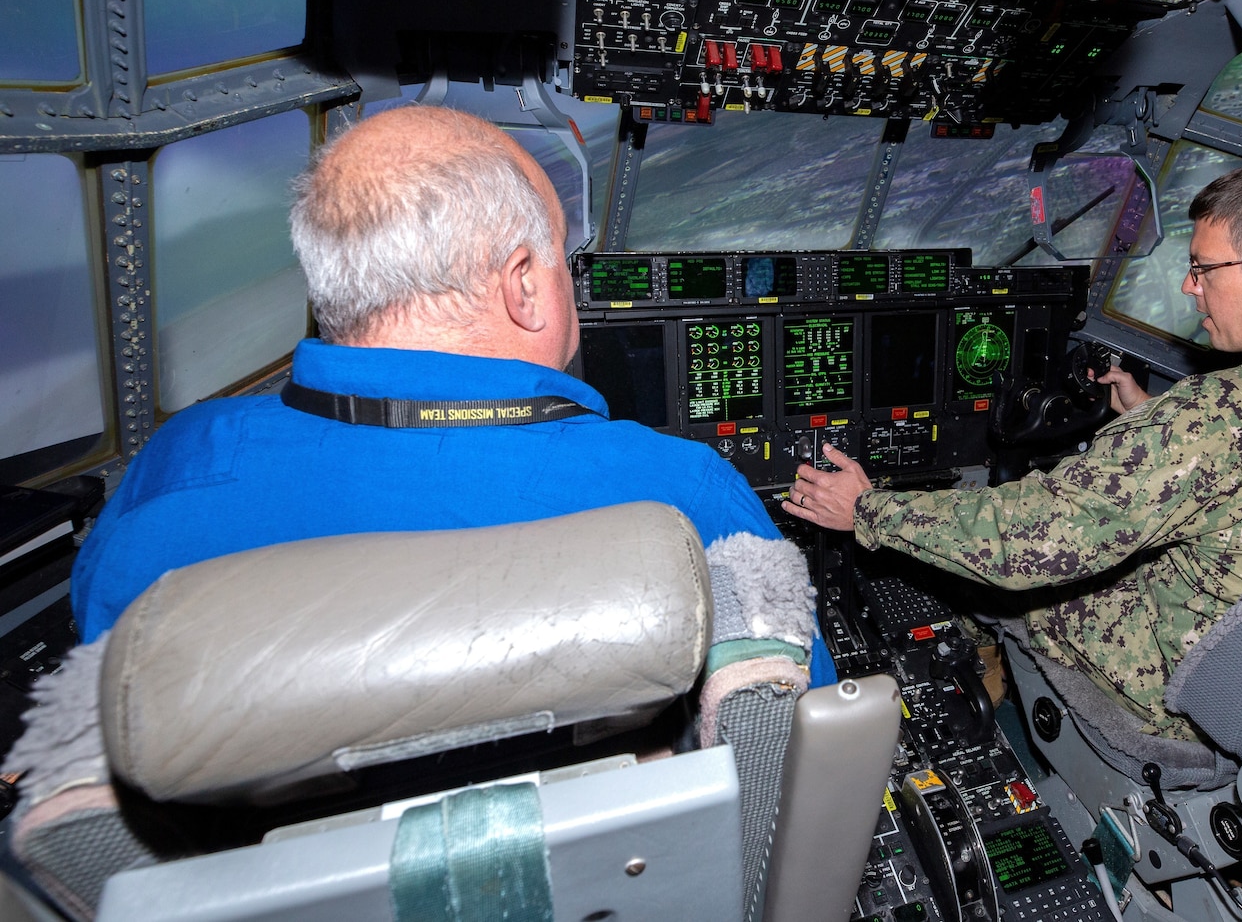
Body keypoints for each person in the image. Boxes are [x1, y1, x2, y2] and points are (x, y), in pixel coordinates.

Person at [71, 106, 800, 648]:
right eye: (560, 263)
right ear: (522, 286)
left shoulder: (176, 468)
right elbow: (779, 731)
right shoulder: (682, 492)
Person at [784, 156, 1242, 741]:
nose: (1191, 286)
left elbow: (1027, 540)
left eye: (1203, 268)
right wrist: (1151, 418)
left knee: (974, 574)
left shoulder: (1212, 418)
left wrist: (867, 509)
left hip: (1177, 683)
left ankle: (965, 697)